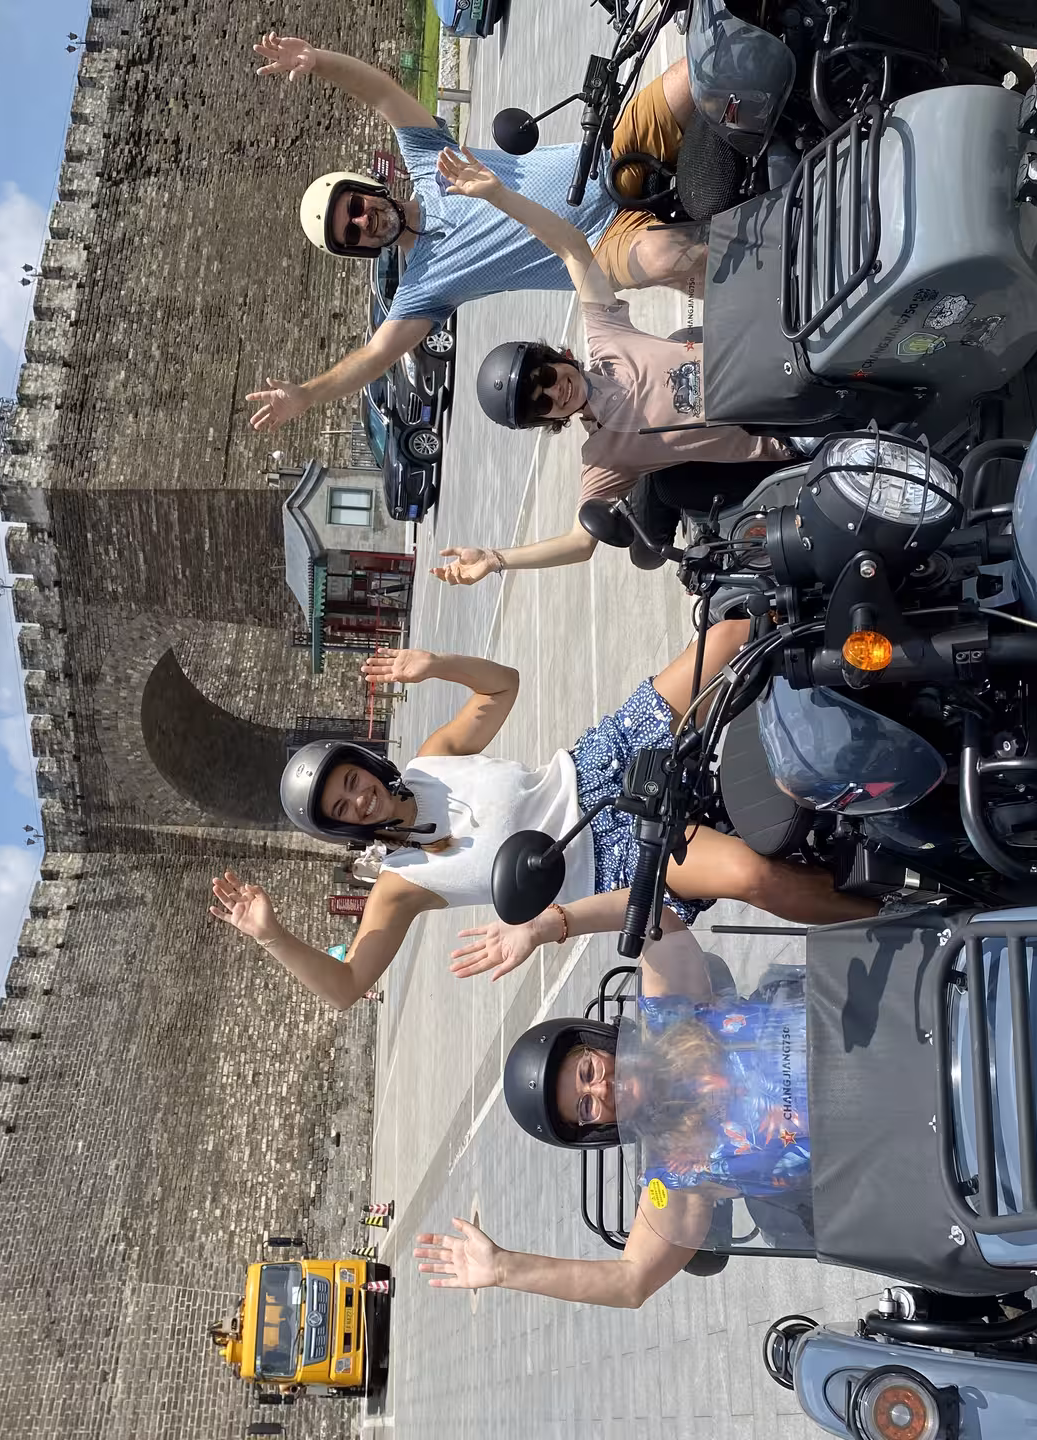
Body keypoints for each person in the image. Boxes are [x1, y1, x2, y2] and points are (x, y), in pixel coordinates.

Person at [207, 628, 874, 1010]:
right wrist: (272, 936)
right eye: (341, 810)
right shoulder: (400, 885)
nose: (357, 800)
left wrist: (436, 665)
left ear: (362, 764)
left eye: (349, 782)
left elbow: (503, 685)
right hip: (611, 861)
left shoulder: (433, 759)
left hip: (602, 761)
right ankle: (886, 907)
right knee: (750, 874)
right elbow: (347, 986)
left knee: (729, 637)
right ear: (344, 828)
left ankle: (879, 654)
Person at [244, 32, 713, 434]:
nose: (363, 220)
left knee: (698, 72)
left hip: (610, 159)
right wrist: (307, 394)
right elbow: (374, 356)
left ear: (365, 189)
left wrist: (318, 61)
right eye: (352, 231)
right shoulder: (422, 290)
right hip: (600, 249)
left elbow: (382, 94)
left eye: (355, 206)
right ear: (357, 248)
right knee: (667, 258)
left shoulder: (428, 159)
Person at [426, 147, 795, 588]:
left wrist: (499, 195)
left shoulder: (607, 340)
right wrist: (494, 558)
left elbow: (571, 248)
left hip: (778, 352)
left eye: (543, 376)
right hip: (790, 429)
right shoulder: (604, 455)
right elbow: (579, 543)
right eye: (539, 404)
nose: (552, 391)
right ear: (547, 421)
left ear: (557, 358)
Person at [413, 927, 810, 1307]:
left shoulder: (671, 1012)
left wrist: (548, 924)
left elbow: (660, 921)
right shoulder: (678, 1174)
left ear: (597, 1045)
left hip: (845, 1028)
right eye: (586, 1106)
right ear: (596, 1129)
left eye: (587, 1071)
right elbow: (631, 1281)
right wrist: (504, 1268)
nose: (600, 1089)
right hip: (859, 1156)